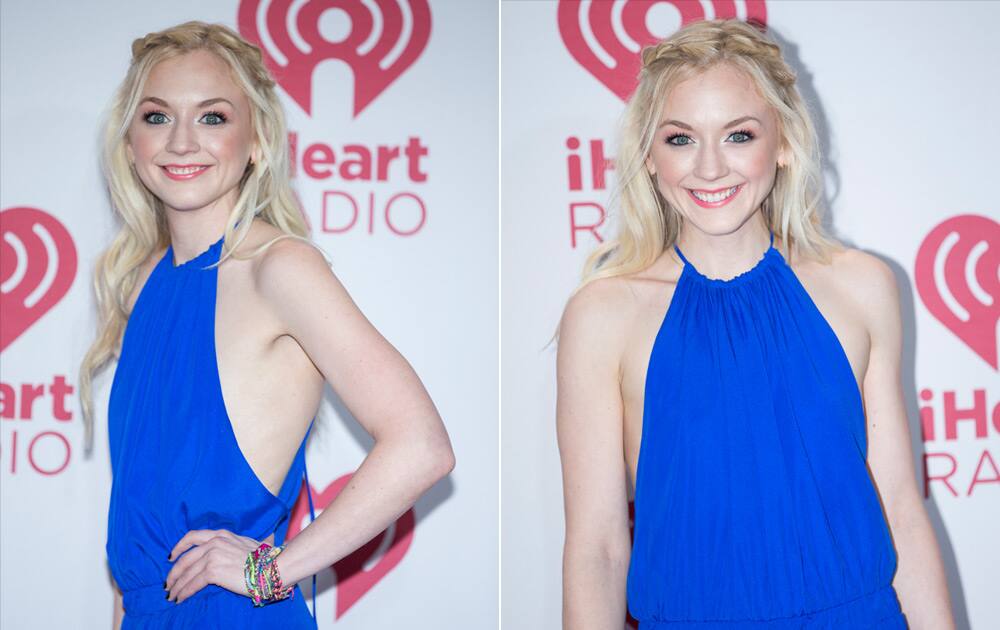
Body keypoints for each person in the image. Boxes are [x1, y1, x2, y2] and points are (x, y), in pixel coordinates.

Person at [556, 19, 953, 629]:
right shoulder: (604, 314)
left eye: (738, 135)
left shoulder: (862, 286)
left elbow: (899, 505)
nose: (710, 167)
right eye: (681, 139)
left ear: (783, 142)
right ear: (649, 156)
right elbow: (598, 551)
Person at [77, 21, 455, 628]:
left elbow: (422, 446)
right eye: (156, 117)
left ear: (257, 141)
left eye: (212, 117)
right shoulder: (144, 281)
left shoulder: (278, 269)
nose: (180, 142)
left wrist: (270, 570)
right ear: (128, 144)